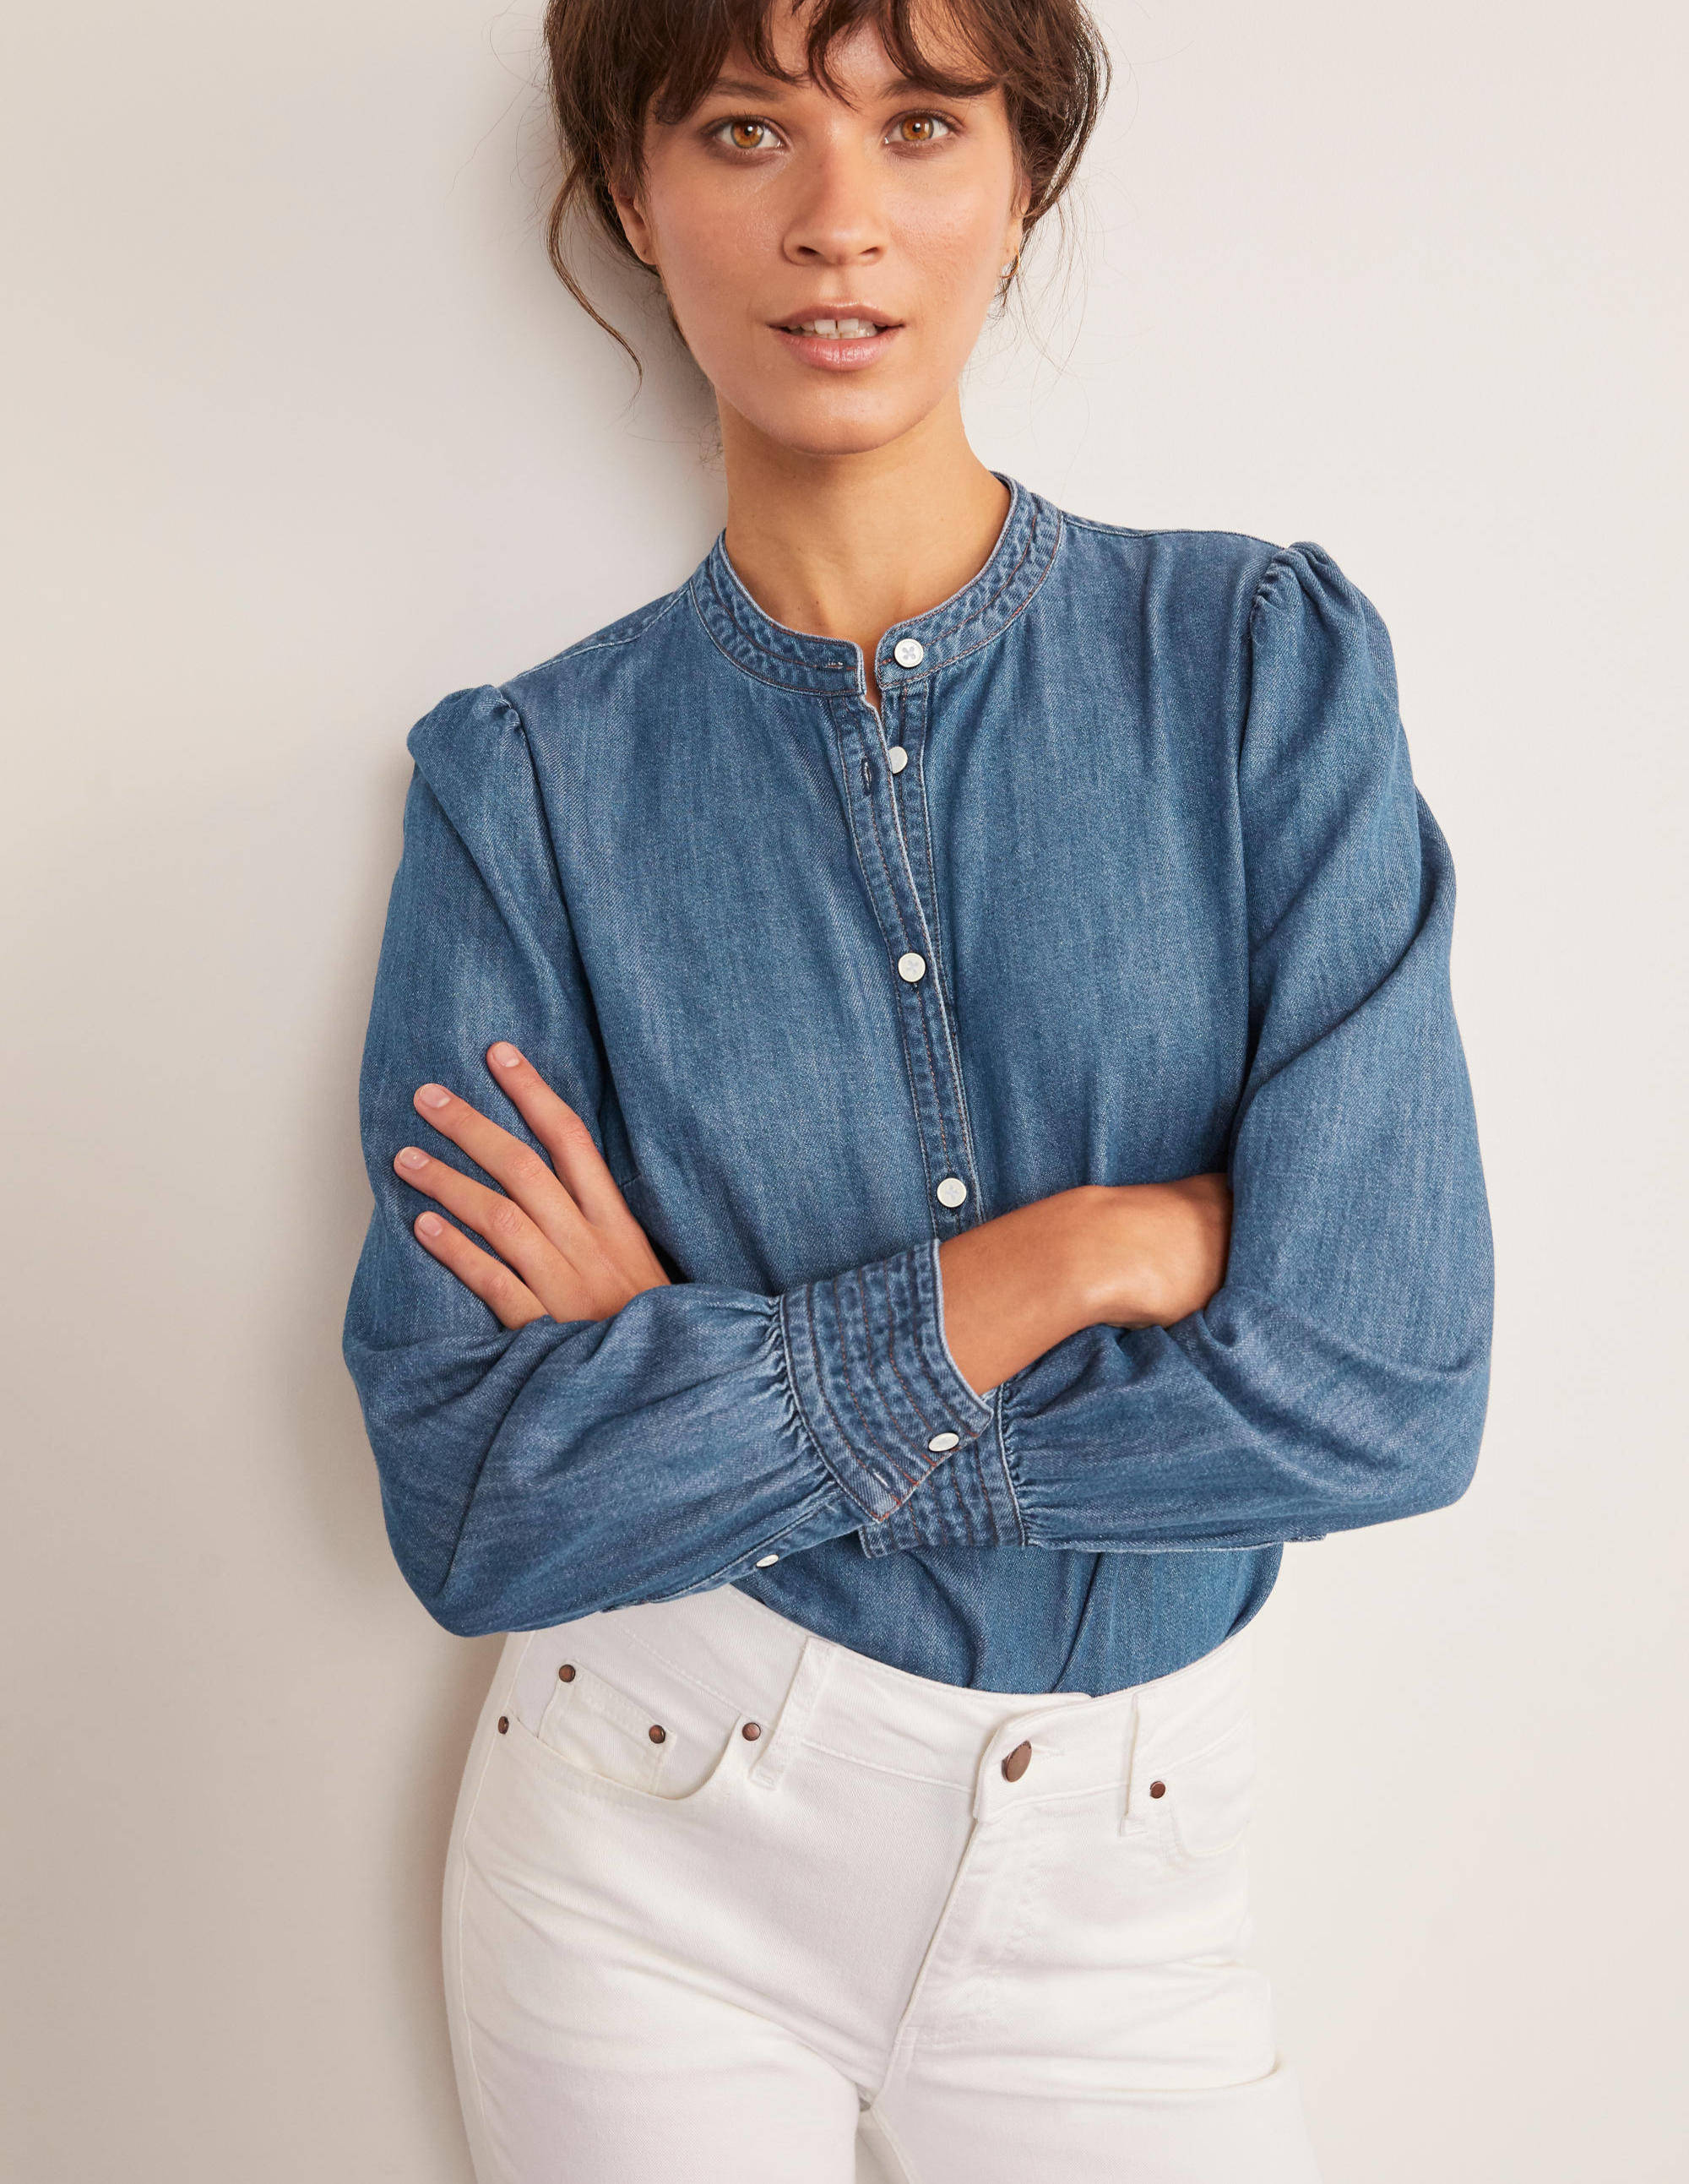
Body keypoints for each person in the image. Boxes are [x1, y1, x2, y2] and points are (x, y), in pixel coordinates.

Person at [340, 0, 1493, 2176]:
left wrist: (698, 1384)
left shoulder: (1258, 668)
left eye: (924, 124)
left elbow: (1385, 1389)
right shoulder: (527, 788)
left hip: (1126, 1894)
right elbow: (480, 1509)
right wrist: (1077, 1259)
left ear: (1020, 182)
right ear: (634, 201)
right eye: (749, 129)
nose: (839, 223)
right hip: (651, 1842)